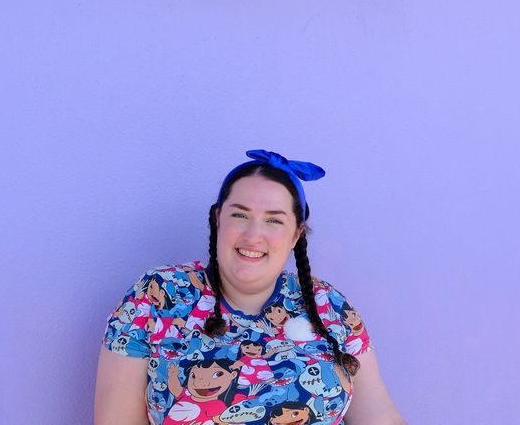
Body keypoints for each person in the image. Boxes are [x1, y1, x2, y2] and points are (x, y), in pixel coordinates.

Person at [94, 149, 408, 424]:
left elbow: (378, 416)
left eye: (274, 220)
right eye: (240, 215)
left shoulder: (329, 305)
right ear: (218, 219)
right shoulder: (157, 296)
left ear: (296, 235)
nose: (253, 235)